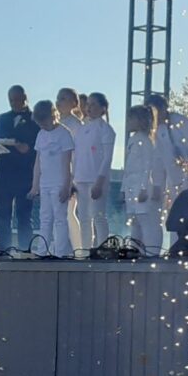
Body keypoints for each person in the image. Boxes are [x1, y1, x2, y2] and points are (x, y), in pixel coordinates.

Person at [0, 85, 39, 253]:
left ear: (25, 98)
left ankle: (25, 251)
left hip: (25, 174)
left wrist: (27, 148)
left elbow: (40, 147)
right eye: (11, 100)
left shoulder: (35, 119)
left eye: (17, 99)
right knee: (3, 216)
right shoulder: (2, 118)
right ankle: (3, 250)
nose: (14, 103)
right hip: (4, 174)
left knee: (24, 216)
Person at [145, 94, 188, 237]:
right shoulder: (155, 130)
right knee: (173, 215)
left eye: (155, 111)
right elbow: (158, 161)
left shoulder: (182, 123)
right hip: (172, 180)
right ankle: (175, 244)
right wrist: (157, 185)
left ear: (163, 108)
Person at [28, 100, 74, 257]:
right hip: (45, 183)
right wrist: (35, 186)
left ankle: (61, 252)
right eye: (40, 123)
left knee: (60, 218)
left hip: (59, 183)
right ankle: (42, 251)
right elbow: (38, 163)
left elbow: (67, 163)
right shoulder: (41, 135)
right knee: (45, 218)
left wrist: (66, 186)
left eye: (45, 122)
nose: (43, 126)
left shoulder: (64, 134)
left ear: (54, 116)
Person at [74, 92, 116, 249]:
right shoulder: (82, 129)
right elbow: (76, 156)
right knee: (84, 218)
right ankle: (85, 249)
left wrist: (100, 181)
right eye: (88, 104)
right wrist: (73, 178)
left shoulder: (106, 129)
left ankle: (102, 249)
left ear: (103, 108)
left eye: (93, 104)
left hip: (96, 178)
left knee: (98, 216)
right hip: (81, 178)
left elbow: (107, 158)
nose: (89, 108)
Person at [122, 105, 162, 255]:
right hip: (131, 185)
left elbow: (147, 165)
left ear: (140, 120)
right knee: (134, 220)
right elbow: (128, 168)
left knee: (145, 220)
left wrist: (144, 187)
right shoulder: (132, 140)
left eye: (131, 119)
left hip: (141, 184)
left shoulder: (146, 141)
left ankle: (151, 253)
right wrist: (123, 189)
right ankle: (135, 251)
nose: (128, 122)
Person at [55, 88, 84, 251]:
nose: (59, 102)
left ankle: (77, 247)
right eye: (58, 98)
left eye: (63, 99)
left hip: (71, 173)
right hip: (56, 172)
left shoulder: (76, 125)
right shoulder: (55, 123)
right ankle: (60, 246)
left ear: (74, 103)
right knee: (57, 213)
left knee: (68, 211)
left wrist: (73, 178)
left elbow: (79, 153)